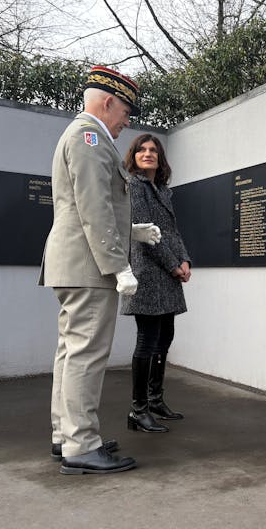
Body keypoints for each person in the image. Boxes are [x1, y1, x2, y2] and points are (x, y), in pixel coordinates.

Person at [39, 66, 162, 474]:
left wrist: (134, 231)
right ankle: (81, 444)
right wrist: (118, 265)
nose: (127, 121)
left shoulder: (82, 137)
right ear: (108, 102)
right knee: (87, 356)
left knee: (71, 353)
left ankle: (66, 435)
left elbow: (95, 207)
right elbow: (94, 208)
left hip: (75, 262)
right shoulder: (90, 138)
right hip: (89, 266)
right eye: (126, 111)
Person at [121, 134, 192, 433]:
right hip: (149, 273)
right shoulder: (135, 186)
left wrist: (185, 259)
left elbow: (172, 233)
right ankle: (138, 411)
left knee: (165, 338)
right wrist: (174, 265)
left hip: (168, 274)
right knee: (147, 341)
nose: (148, 154)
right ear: (134, 155)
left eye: (153, 150)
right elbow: (145, 234)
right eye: (142, 150)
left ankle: (155, 399)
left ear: (160, 158)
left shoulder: (162, 190)